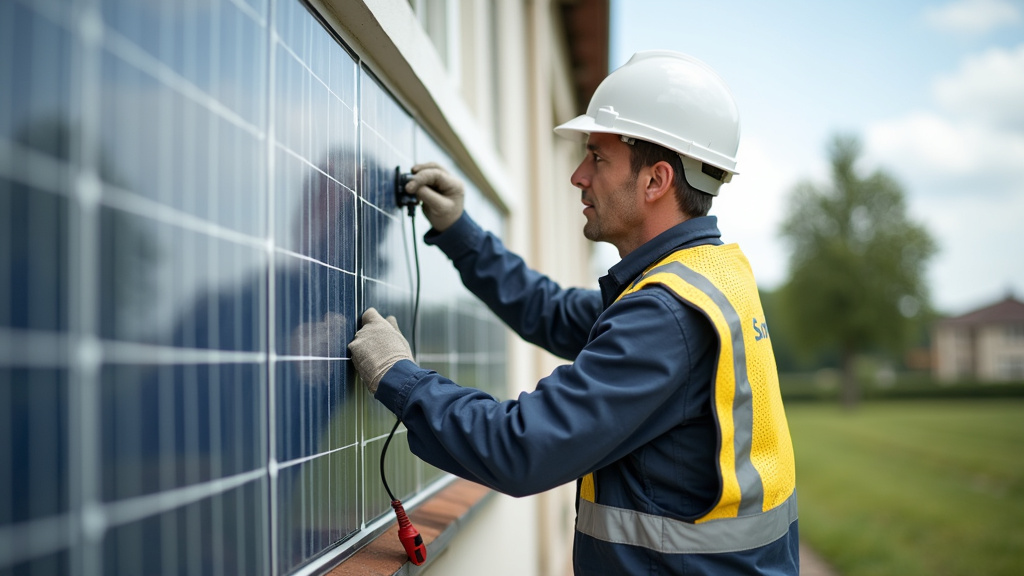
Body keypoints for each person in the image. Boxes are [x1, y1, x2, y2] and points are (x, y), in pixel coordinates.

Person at [349, 50, 799, 575]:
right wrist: (461, 234)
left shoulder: (665, 314)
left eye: (597, 157)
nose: (578, 176)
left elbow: (519, 448)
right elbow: (553, 312)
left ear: (655, 181)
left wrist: (398, 377)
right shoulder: (709, 277)